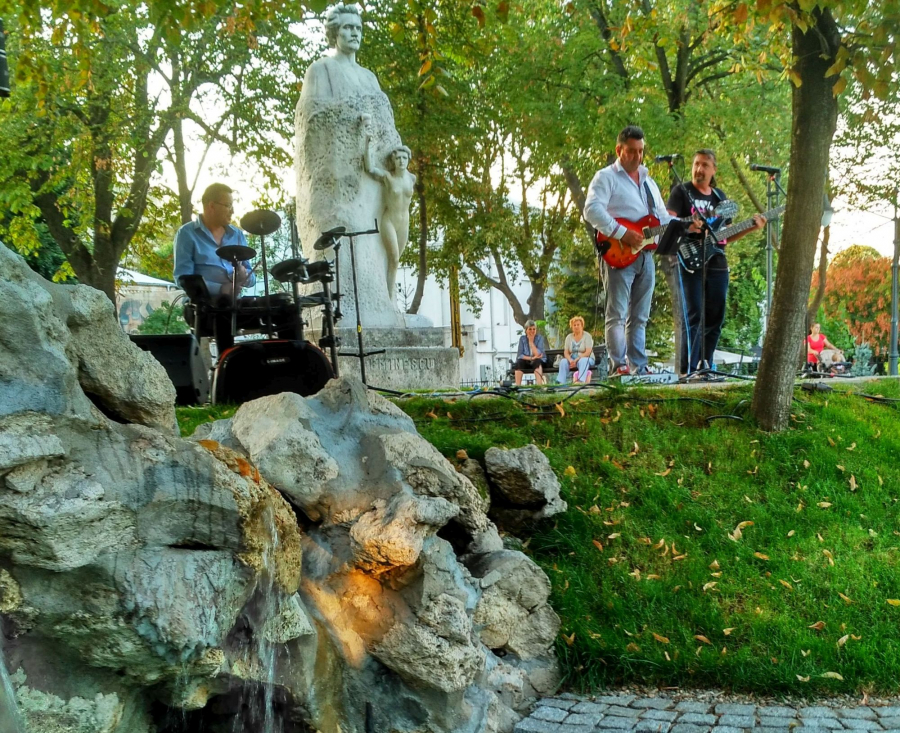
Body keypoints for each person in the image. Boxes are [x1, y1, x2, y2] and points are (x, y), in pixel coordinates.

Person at [583, 125, 673, 376]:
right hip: (619, 253)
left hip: (646, 255)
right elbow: (591, 210)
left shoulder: (649, 182)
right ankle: (618, 366)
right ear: (618, 150)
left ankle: (639, 367)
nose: (637, 156)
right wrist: (624, 233)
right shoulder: (606, 177)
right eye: (631, 151)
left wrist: (686, 223)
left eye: (641, 151)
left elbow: (663, 218)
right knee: (617, 314)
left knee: (640, 317)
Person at [666, 149, 765, 377]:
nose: (699, 169)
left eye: (704, 165)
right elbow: (667, 220)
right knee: (695, 315)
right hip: (690, 258)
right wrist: (688, 225)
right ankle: (692, 369)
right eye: (696, 164)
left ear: (713, 170)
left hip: (717, 260)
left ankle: (706, 365)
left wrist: (750, 227)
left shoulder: (720, 198)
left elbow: (725, 236)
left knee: (716, 315)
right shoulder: (681, 191)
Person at [173, 183, 256, 353]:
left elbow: (252, 281)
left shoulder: (237, 235)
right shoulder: (187, 234)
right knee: (223, 303)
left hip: (234, 305)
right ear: (211, 205)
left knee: (281, 305)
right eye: (228, 206)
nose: (232, 211)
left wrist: (244, 274)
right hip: (201, 309)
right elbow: (183, 278)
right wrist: (222, 289)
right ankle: (226, 365)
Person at [363, 116, 415, 303]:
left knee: (395, 261)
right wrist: (368, 142)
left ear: (408, 159)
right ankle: (389, 300)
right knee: (393, 258)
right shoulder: (388, 177)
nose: (401, 161)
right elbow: (369, 168)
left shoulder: (412, 179)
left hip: (404, 223)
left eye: (404, 158)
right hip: (390, 221)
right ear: (393, 161)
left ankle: (390, 299)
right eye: (398, 158)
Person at [300, 3, 382, 100]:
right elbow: (310, 112)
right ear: (335, 32)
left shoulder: (370, 78)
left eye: (358, 29)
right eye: (348, 27)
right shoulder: (320, 70)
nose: (355, 33)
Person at [558, 315, 595, 384]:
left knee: (583, 361)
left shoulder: (587, 336)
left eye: (578, 325)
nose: (576, 326)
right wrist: (570, 360)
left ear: (582, 326)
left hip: (586, 358)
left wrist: (576, 360)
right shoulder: (569, 337)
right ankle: (561, 382)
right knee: (563, 361)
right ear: (571, 327)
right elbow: (566, 352)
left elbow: (588, 352)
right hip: (572, 359)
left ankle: (580, 381)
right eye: (574, 325)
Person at [513, 320, 548, 385]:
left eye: (534, 329)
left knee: (537, 362)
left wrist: (531, 342)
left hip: (539, 360)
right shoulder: (522, 339)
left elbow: (538, 354)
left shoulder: (539, 338)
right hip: (527, 360)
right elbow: (520, 355)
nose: (532, 331)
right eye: (530, 329)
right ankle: (518, 386)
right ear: (526, 330)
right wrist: (531, 358)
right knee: (519, 363)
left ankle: (539, 386)